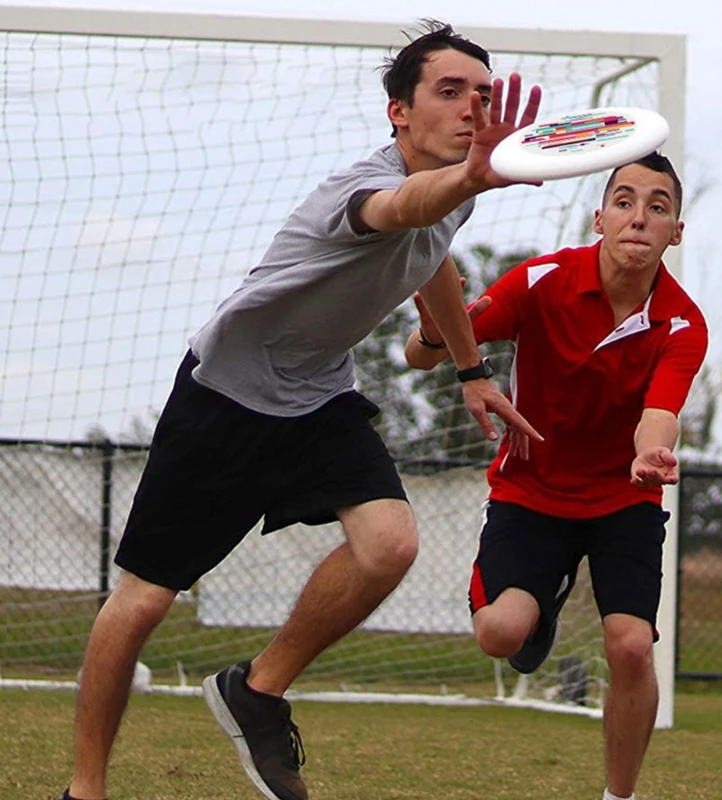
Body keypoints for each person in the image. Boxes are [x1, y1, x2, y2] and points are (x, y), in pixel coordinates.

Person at [58, 21, 547, 800]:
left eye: (483, 96)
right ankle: (84, 789)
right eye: (449, 92)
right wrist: (467, 183)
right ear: (398, 112)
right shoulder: (365, 188)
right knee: (144, 600)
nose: (471, 109)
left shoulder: (459, 187)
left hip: (317, 394)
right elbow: (401, 213)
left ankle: (256, 690)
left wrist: (469, 369)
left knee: (389, 545)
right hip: (226, 396)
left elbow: (433, 260)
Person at [406, 151, 708, 800]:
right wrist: (433, 331)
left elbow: (660, 413)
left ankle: (618, 797)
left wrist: (651, 454)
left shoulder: (683, 324)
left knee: (630, 646)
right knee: (500, 634)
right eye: (624, 201)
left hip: (623, 498)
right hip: (531, 493)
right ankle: (539, 608)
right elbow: (423, 354)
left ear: (675, 232)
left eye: (658, 207)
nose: (639, 217)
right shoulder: (541, 280)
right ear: (599, 217)